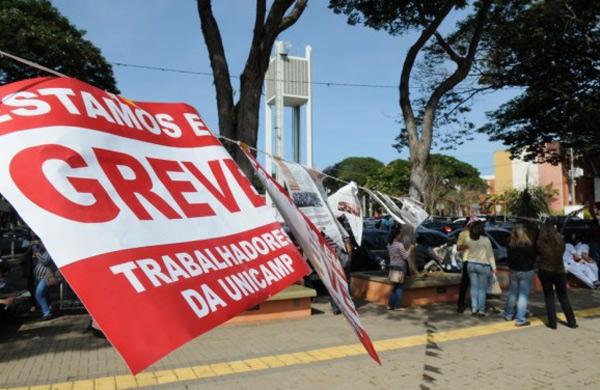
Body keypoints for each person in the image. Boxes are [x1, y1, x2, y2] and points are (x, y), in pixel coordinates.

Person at [537, 221, 577, 329]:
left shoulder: (541, 240)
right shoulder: (560, 239)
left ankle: (552, 323)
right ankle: (571, 321)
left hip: (544, 269)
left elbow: (538, 252)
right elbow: (563, 251)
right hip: (559, 270)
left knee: (549, 297)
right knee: (563, 297)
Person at [504, 224, 536, 326]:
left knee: (512, 293)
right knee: (523, 296)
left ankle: (508, 314)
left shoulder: (510, 243)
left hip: (513, 270)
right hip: (526, 271)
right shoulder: (528, 245)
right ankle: (520, 319)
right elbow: (533, 257)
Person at [463, 221, 496, 316]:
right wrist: (494, 267)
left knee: (474, 287)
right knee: (482, 289)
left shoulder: (468, 239)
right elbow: (490, 255)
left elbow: (464, 250)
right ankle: (481, 310)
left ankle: (474, 308)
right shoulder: (486, 240)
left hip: (471, 264)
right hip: (483, 265)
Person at [386, 224, 414, 310]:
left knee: (395, 286)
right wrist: (410, 249)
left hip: (392, 266)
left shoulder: (389, 244)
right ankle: (397, 306)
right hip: (399, 267)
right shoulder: (399, 245)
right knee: (399, 287)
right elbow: (405, 256)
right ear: (397, 235)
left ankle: (390, 305)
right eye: (400, 234)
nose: (401, 236)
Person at [32, 241, 56, 320]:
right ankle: (48, 310)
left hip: (46, 277)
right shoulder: (42, 252)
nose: (39, 245)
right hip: (39, 277)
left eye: (40, 243)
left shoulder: (49, 251)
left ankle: (47, 313)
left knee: (39, 295)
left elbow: (45, 262)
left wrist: (37, 252)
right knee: (44, 295)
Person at [456, 218, 475, 313]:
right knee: (464, 284)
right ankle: (460, 304)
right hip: (467, 260)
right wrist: (467, 246)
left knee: (475, 285)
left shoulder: (477, 234)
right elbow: (458, 248)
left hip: (477, 260)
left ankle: (475, 305)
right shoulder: (463, 234)